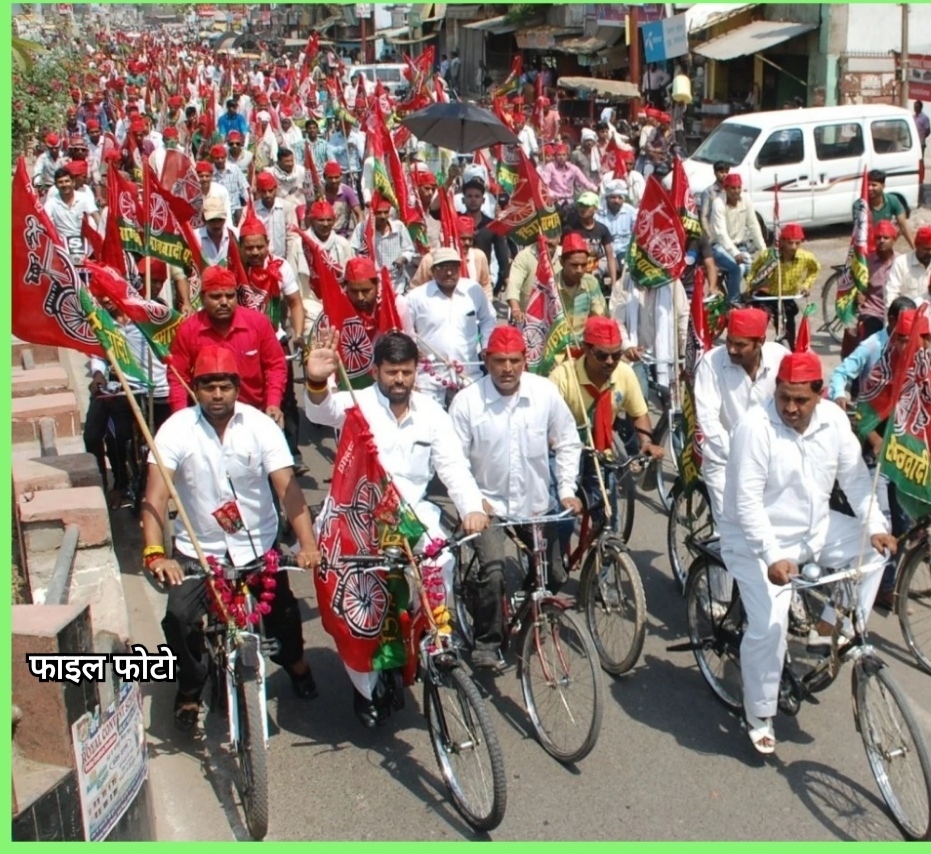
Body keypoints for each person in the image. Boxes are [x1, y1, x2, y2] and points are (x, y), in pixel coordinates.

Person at [304, 330, 488, 724]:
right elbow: (320, 411)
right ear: (376, 371)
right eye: (391, 372)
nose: (399, 379)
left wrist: (472, 507)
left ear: (416, 371)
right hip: (358, 519)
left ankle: (430, 638)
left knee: (441, 561)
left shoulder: (432, 414)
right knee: (359, 614)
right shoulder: (356, 404)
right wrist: (317, 381)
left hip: (412, 516)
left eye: (406, 371)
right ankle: (364, 689)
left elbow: (453, 468)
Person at [719, 350, 895, 755]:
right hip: (755, 540)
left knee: (875, 554)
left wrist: (876, 527)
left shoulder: (834, 420)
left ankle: (831, 627)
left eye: (801, 400)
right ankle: (759, 713)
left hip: (814, 530)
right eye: (783, 397)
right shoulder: (754, 428)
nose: (790, 408)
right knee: (771, 625)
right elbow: (747, 505)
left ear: (820, 394)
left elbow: (855, 480)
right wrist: (771, 556)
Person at [141, 345, 320, 730]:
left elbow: (288, 490)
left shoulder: (260, 426)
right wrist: (156, 554)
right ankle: (190, 687)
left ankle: (297, 665)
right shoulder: (176, 429)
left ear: (237, 387)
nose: (217, 394)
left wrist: (307, 545)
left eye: (225, 386)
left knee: (284, 615)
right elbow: (154, 497)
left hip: (257, 544)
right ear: (195, 388)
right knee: (179, 619)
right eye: (208, 386)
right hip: (198, 550)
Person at [448, 325, 582, 669]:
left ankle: (523, 608)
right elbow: (453, 461)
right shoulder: (467, 402)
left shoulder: (544, 393)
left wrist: (566, 490)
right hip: (488, 506)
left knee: (555, 573)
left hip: (535, 504)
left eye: (514, 361)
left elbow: (568, 442)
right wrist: (472, 504)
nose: (507, 368)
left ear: (525, 360)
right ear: (486, 360)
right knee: (493, 573)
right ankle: (487, 641)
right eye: (499, 361)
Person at [550, 317, 664, 520]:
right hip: (564, 450)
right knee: (561, 517)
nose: (610, 362)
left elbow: (639, 413)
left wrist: (646, 442)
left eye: (616, 355)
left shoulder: (625, 373)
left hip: (601, 449)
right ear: (586, 349)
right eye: (602, 355)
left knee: (607, 516)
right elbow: (545, 426)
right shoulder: (562, 377)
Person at [693, 307, 788, 522]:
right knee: (732, 528)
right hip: (723, 460)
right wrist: (740, 456)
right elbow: (708, 418)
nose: (732, 350)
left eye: (741, 345)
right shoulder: (711, 362)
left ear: (760, 341)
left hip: (769, 461)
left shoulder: (780, 357)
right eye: (729, 342)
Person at [167, 266, 287, 425]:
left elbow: (275, 365)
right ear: (202, 298)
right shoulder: (188, 330)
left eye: (230, 296)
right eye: (216, 296)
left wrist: (273, 403)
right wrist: (180, 416)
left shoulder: (258, 323)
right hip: (206, 419)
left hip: (253, 415)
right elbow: (178, 377)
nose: (224, 302)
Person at [400, 246, 496, 405]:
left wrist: (486, 346)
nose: (449, 272)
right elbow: (404, 330)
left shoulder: (473, 290)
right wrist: (413, 349)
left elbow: (489, 319)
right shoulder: (416, 297)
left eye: (453, 267)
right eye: (443, 267)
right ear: (432, 270)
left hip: (468, 372)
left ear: (460, 268)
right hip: (429, 377)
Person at [746, 222, 820, 349]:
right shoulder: (769, 256)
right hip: (767, 296)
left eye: (797, 243)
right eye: (790, 243)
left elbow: (815, 269)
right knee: (760, 322)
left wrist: (806, 285)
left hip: (787, 297)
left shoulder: (806, 257)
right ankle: (754, 347)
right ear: (782, 241)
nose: (793, 247)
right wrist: (750, 285)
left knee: (789, 329)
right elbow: (753, 269)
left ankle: (789, 350)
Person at [709, 173, 766, 304]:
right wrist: (735, 253)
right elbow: (721, 234)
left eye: (738, 187)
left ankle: (753, 299)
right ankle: (733, 302)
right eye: (732, 188)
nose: (736, 191)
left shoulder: (746, 199)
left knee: (754, 268)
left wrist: (763, 250)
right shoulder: (718, 204)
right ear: (725, 189)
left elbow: (753, 225)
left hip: (740, 246)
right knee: (738, 268)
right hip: (719, 246)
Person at [410, 216, 492, 298]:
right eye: (463, 239)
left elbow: (485, 284)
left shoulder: (478, 257)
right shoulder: (430, 260)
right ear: (452, 238)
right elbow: (416, 288)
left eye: (470, 239)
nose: (467, 243)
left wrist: (486, 303)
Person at [350, 194, 415, 295]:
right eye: (379, 213)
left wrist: (403, 258)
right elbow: (353, 251)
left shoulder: (399, 227)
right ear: (372, 212)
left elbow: (409, 249)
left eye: (386, 212)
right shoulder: (362, 228)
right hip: (372, 283)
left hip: (396, 283)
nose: (383, 216)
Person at [556, 233, 609, 337]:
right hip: (558, 344)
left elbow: (600, 318)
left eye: (583, 265)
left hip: (584, 343)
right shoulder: (551, 285)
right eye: (574, 265)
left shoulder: (591, 283)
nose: (579, 270)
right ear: (562, 262)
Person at [43, 166, 99, 261]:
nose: (64, 184)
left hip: (86, 245)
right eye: (60, 182)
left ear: (73, 182)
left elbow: (96, 216)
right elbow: (45, 222)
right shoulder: (51, 203)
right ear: (56, 185)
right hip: (62, 247)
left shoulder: (84, 198)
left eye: (67, 181)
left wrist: (102, 235)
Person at [565, 191, 617, 292]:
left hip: (594, 270)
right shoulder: (571, 229)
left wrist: (614, 283)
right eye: (581, 205)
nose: (582, 208)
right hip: (576, 271)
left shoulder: (602, 229)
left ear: (595, 209)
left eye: (587, 206)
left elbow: (610, 256)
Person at [862, 169, 914, 250]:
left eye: (873, 185)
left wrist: (915, 249)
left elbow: (903, 225)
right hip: (867, 247)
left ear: (883, 186)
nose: (869, 188)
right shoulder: (860, 205)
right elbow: (862, 231)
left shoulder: (893, 200)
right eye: (867, 185)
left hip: (884, 243)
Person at [885, 225, 931, 308]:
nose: (930, 253)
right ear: (917, 246)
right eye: (926, 249)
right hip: (906, 313)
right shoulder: (901, 263)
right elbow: (891, 293)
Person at [210, 143, 249, 226]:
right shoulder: (210, 173)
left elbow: (243, 188)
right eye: (217, 158)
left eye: (222, 157)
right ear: (212, 159)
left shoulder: (234, 169)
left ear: (226, 157)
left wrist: (248, 206)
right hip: (219, 212)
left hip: (236, 209)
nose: (220, 160)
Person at [698, 161, 730, 237]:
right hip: (714, 233)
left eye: (726, 172)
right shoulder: (708, 192)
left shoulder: (729, 190)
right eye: (721, 172)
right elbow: (704, 217)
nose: (724, 175)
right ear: (715, 173)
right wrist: (709, 234)